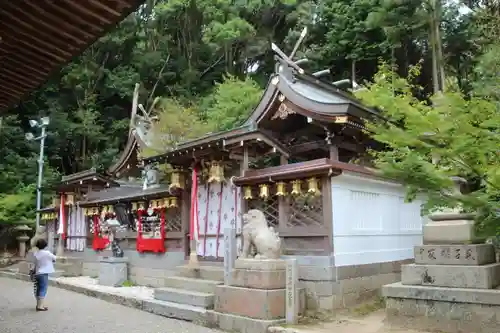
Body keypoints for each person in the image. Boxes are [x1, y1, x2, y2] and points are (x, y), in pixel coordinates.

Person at [32, 238, 56, 311]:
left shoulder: (35, 253)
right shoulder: (47, 253)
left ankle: (38, 304)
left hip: (37, 273)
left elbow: (34, 263)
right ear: (45, 245)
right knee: (43, 289)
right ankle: (40, 306)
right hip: (44, 273)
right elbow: (54, 258)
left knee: (38, 289)